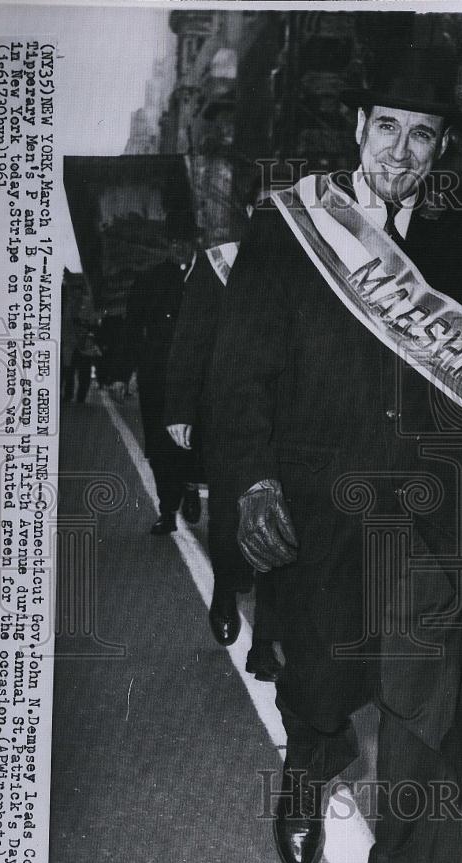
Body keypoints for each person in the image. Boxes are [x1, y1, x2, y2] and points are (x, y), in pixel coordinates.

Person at [204, 52, 462, 863]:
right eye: (388, 128)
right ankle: (308, 764)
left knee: (424, 712)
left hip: (437, 515)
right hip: (320, 504)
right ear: (358, 128)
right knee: (322, 680)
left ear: (442, 145)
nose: (403, 150)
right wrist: (253, 478)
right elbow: (240, 369)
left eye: (425, 134)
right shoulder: (294, 226)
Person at [163, 184, 281, 679]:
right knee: (233, 516)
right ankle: (225, 588)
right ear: (252, 215)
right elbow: (190, 340)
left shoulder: (313, 270)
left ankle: (267, 645)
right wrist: (178, 409)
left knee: (284, 527)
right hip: (230, 418)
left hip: (287, 419)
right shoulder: (220, 264)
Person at [125, 212, 202, 535]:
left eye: (184, 242)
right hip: (156, 377)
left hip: (195, 377)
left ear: (194, 242)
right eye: (172, 243)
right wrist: (125, 371)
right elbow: (131, 328)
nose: (178, 248)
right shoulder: (149, 280)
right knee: (158, 445)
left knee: (191, 441)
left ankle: (188, 486)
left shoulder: (207, 278)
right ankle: (167, 510)